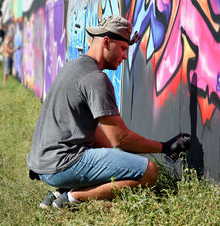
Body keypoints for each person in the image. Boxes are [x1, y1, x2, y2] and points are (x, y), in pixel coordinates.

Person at [27, 15, 191, 210]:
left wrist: (113, 159)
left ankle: (60, 191)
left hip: (44, 162)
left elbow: (91, 129)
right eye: (123, 49)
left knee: (116, 164)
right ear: (106, 42)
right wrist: (165, 147)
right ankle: (71, 198)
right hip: (62, 163)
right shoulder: (96, 79)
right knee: (149, 172)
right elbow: (121, 139)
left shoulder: (74, 67)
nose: (124, 56)